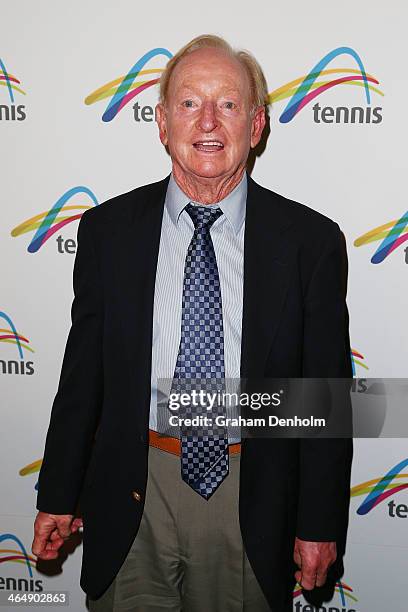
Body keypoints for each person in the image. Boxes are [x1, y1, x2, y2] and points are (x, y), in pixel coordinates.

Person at [32, 34, 353, 612]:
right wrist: (59, 490)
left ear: (255, 126)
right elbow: (83, 377)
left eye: (228, 104)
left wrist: (320, 521)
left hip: (249, 492)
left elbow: (325, 398)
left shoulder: (310, 242)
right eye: (188, 103)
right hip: (135, 487)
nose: (208, 120)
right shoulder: (108, 232)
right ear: (161, 122)